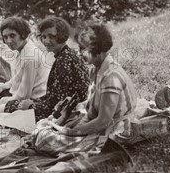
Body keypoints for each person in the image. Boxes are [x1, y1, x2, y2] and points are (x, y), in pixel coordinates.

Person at [31, 22, 138, 154]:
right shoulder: (96, 70)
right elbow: (92, 107)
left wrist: (72, 132)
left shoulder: (111, 76)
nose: (79, 53)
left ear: (95, 48)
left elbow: (103, 121)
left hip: (113, 131)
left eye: (82, 49)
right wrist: (68, 114)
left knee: (45, 139)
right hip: (99, 125)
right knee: (44, 124)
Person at [7, 16, 90, 121]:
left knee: (12, 109)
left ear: (62, 36)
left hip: (68, 114)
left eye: (51, 37)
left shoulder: (65, 61)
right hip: (63, 107)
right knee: (13, 105)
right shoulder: (66, 55)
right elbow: (54, 97)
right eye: (43, 37)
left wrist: (31, 106)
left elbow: (58, 105)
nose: (46, 41)